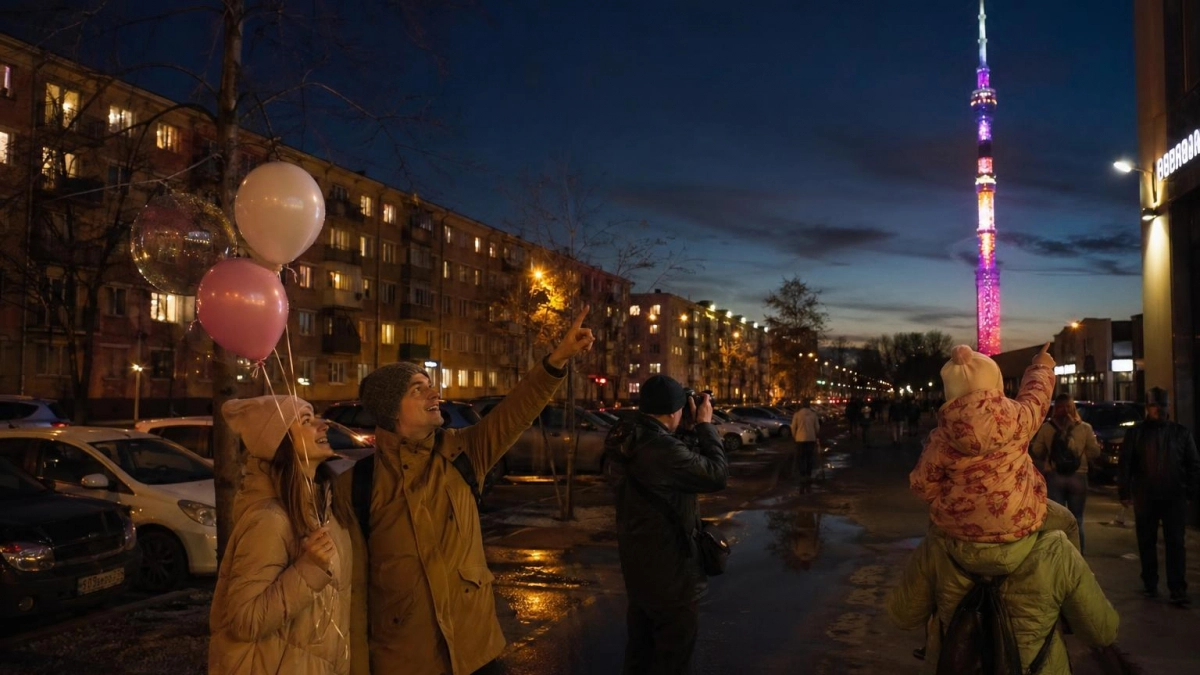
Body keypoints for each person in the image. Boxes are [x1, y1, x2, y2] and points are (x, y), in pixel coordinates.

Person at [334, 308, 594, 675]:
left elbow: (515, 411)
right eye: (418, 389)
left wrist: (557, 360)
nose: (434, 394)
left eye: (430, 385)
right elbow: (353, 589)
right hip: (405, 660)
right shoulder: (356, 484)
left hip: (477, 650)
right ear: (392, 409)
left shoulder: (462, 452)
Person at [891, 344, 1119, 673]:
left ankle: (930, 641)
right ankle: (1068, 604)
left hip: (958, 531)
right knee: (1067, 522)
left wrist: (949, 500)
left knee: (935, 527)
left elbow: (921, 485)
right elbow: (1103, 631)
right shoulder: (1016, 419)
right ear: (995, 383)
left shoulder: (942, 439)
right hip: (1024, 517)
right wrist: (1041, 365)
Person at [209, 395, 354, 675]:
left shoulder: (325, 508)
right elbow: (245, 620)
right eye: (306, 421)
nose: (323, 426)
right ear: (280, 443)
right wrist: (308, 569)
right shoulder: (269, 520)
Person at [606, 374, 728, 674]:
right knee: (672, 659)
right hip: (672, 576)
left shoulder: (628, 436)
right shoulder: (660, 449)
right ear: (675, 411)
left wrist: (683, 433)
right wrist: (704, 427)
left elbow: (670, 465)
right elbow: (716, 474)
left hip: (640, 568)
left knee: (640, 654)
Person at [1118, 386, 1200, 606]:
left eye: (1162, 405)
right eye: (1155, 405)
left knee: (1175, 542)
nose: (1159, 410)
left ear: (1168, 407)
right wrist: (1125, 492)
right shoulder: (1137, 433)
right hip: (1147, 496)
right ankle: (1150, 582)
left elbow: (1193, 464)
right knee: (1147, 541)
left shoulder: (1180, 433)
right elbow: (1126, 464)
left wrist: (1189, 492)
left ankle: (1177, 587)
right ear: (1148, 407)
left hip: (1173, 496)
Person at [1029, 394, 1101, 552]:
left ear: (1056, 409)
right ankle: (1078, 558)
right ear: (1073, 408)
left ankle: (1060, 556)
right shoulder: (1085, 428)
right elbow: (1094, 452)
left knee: (1058, 521)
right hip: (1078, 476)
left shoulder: (1047, 428)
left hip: (1055, 476)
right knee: (1078, 519)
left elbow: (1037, 450)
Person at [790, 398, 820, 481]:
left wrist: (794, 436)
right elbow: (817, 427)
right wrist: (816, 435)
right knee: (810, 457)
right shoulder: (813, 414)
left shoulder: (797, 415)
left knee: (801, 457)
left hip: (800, 439)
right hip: (811, 438)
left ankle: (802, 473)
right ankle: (808, 473)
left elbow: (793, 427)